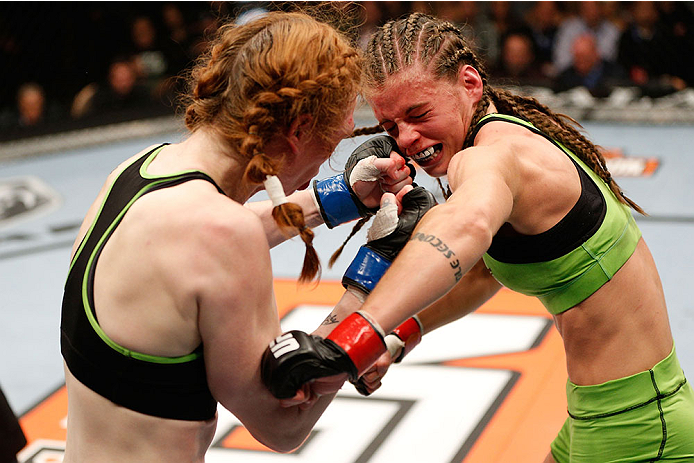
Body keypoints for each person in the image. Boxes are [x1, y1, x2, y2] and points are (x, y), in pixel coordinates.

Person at [261, 12, 694, 463]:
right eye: (390, 126)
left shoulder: (492, 156)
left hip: (637, 428)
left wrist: (355, 337)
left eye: (419, 114)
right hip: (607, 412)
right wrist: (397, 335)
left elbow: (466, 226)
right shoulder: (499, 132)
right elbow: (484, 271)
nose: (407, 138)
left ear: (469, 83)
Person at [59, 9, 426, 462]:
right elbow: (282, 422)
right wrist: (374, 278)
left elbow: (208, 239)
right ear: (297, 131)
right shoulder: (223, 236)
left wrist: (341, 197)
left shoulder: (142, 169)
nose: (330, 158)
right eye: (333, 143)